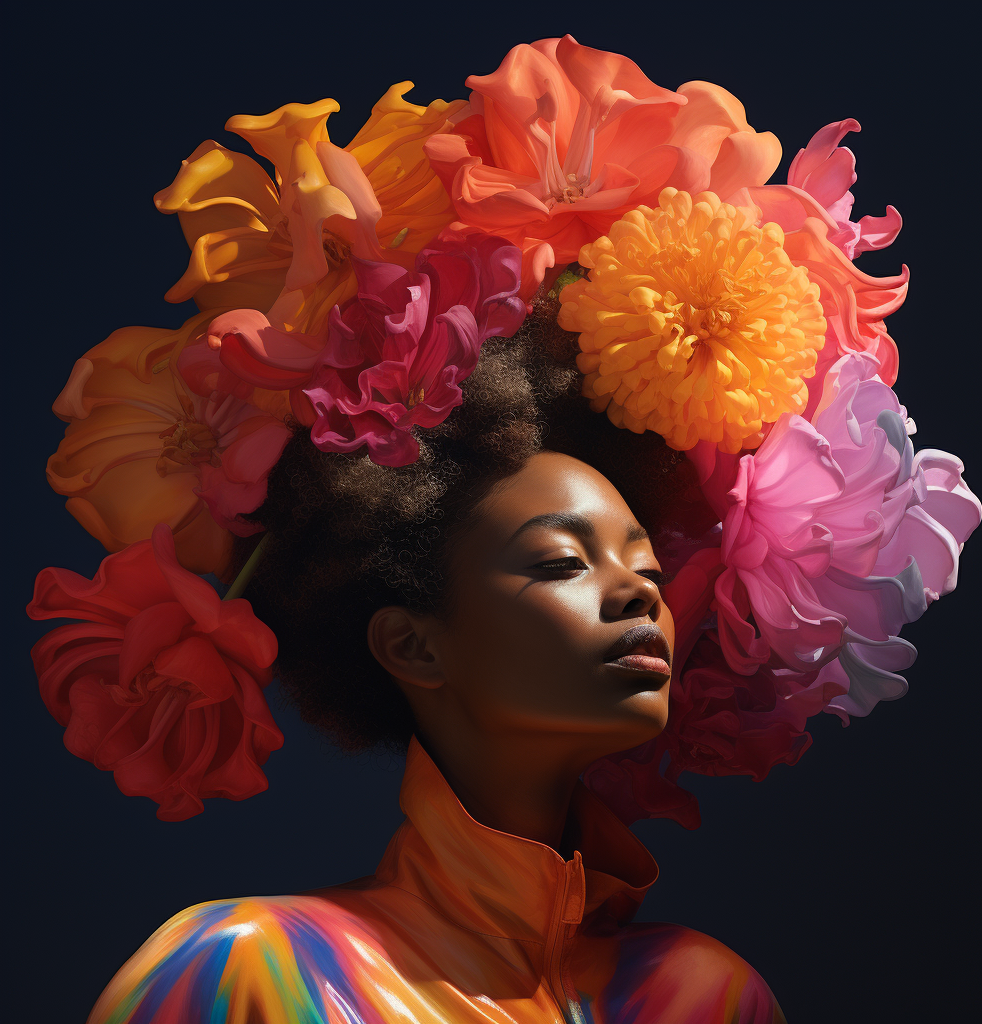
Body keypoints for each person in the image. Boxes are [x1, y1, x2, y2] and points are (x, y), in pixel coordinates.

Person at [81, 310, 787, 1023]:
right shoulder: (248, 973)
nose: (641, 591)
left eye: (649, 567)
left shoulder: (706, 998)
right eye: (563, 562)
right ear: (413, 646)